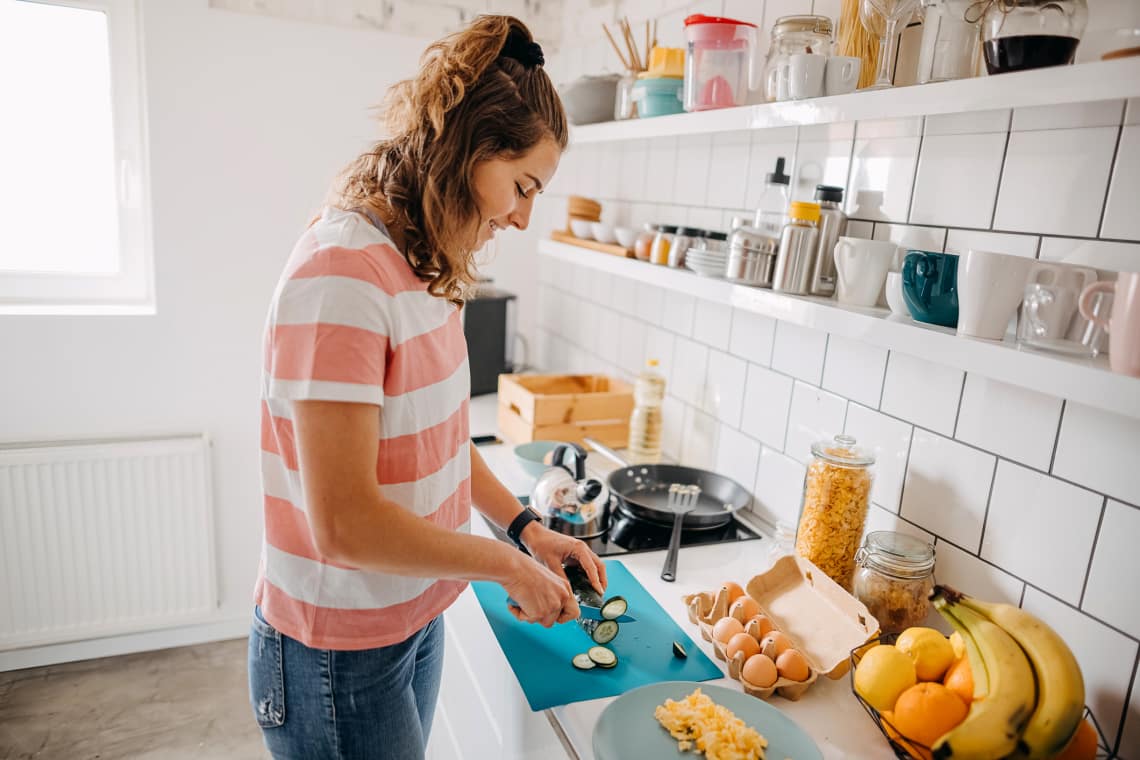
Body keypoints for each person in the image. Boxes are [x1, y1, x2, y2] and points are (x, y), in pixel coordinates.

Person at [248, 15, 607, 759]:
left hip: (410, 619)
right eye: (522, 185)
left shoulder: (428, 266)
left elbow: (441, 443)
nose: (522, 215)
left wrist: (526, 530)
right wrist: (504, 566)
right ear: (472, 147)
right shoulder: (342, 272)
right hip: (333, 654)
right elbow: (343, 524)